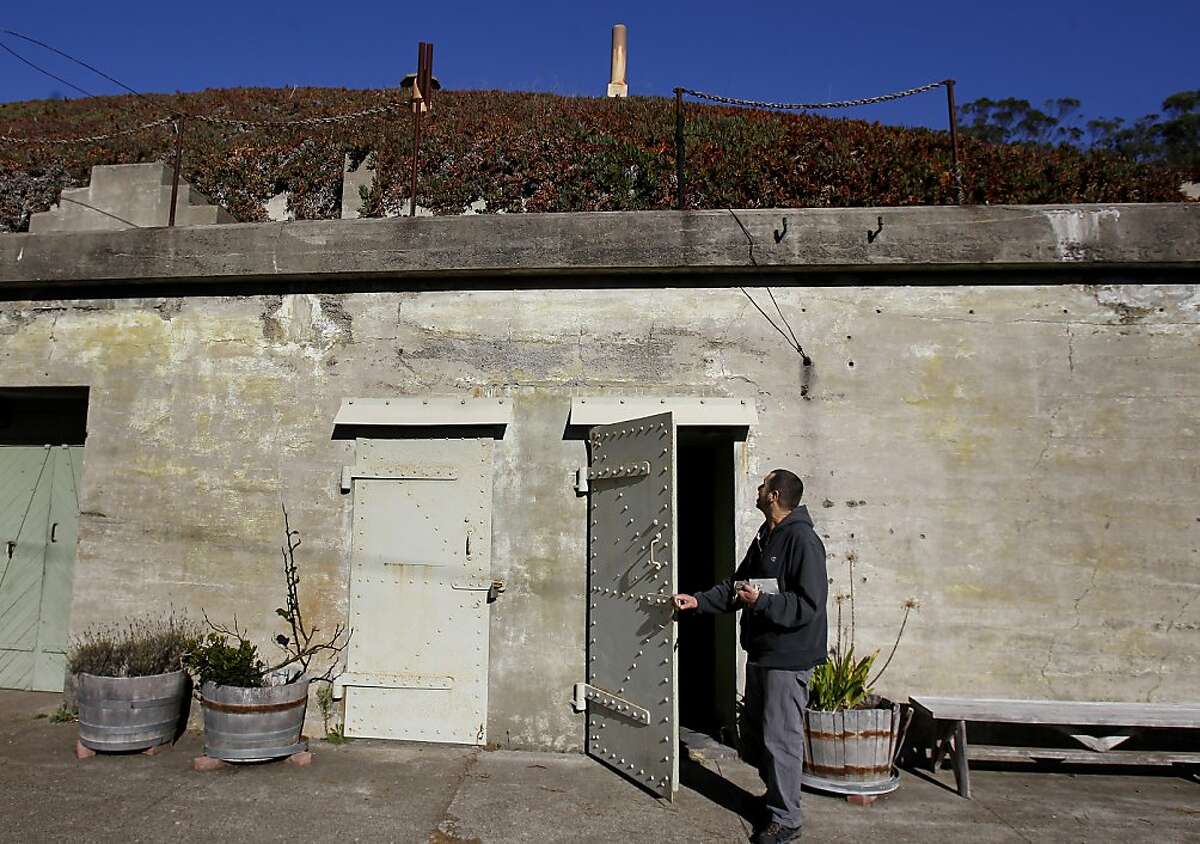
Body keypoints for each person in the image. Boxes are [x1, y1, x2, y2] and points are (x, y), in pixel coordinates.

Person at [673, 468, 828, 844]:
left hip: (787, 659)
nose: (757, 490)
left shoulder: (802, 541)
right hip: (761, 653)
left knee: (781, 739)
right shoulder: (766, 536)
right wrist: (698, 601)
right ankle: (776, 798)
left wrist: (763, 602)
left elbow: (810, 604)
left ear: (774, 495)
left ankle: (786, 819)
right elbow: (737, 584)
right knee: (759, 737)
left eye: (763, 485)